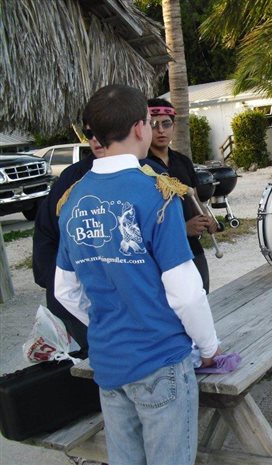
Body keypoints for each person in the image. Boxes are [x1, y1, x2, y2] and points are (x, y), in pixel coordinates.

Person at [54, 84, 220, 465]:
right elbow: (186, 292)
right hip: (160, 359)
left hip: (109, 363)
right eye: (149, 121)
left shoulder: (73, 199)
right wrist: (210, 348)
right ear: (140, 128)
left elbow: (65, 290)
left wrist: (109, 321)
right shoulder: (155, 193)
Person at [33, 123, 166, 352]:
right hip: (85, 299)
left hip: (142, 298)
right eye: (89, 134)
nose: (96, 139)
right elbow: (46, 234)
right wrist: (58, 282)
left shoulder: (151, 174)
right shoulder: (71, 179)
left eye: (102, 131)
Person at [146, 98, 217, 293]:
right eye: (153, 124)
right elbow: (144, 219)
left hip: (193, 249)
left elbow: (196, 200)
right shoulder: (140, 166)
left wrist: (208, 218)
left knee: (202, 300)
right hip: (161, 256)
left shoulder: (182, 161)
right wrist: (182, 229)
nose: (161, 130)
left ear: (174, 126)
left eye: (166, 123)